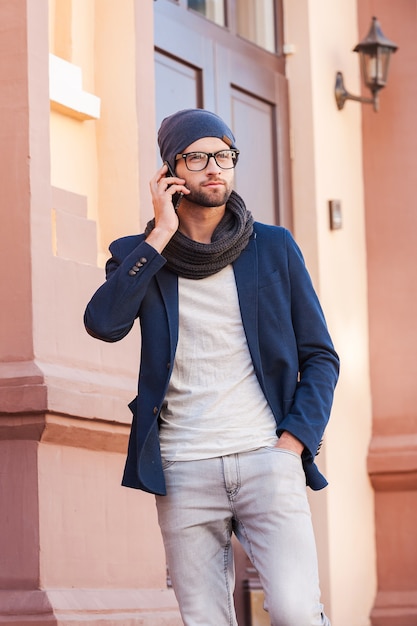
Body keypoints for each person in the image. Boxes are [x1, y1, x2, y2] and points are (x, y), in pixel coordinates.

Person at [84, 108, 339, 626]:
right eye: (197, 157)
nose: (214, 167)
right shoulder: (139, 254)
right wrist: (159, 234)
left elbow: (320, 356)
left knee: (295, 611)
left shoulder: (273, 247)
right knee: (205, 620)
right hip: (182, 465)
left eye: (223, 155)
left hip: (266, 456)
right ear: (171, 170)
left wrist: (295, 440)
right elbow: (103, 323)